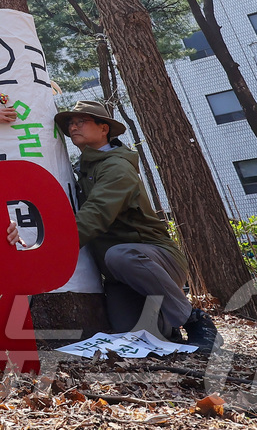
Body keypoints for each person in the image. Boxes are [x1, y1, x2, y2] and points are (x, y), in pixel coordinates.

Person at [52, 100, 216, 350]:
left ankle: (193, 319)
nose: (73, 127)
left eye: (81, 121)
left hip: (151, 258)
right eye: (70, 123)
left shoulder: (116, 167)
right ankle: (167, 328)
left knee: (121, 255)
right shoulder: (84, 168)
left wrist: (51, 251)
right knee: (134, 336)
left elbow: (95, 214)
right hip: (119, 273)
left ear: (104, 128)